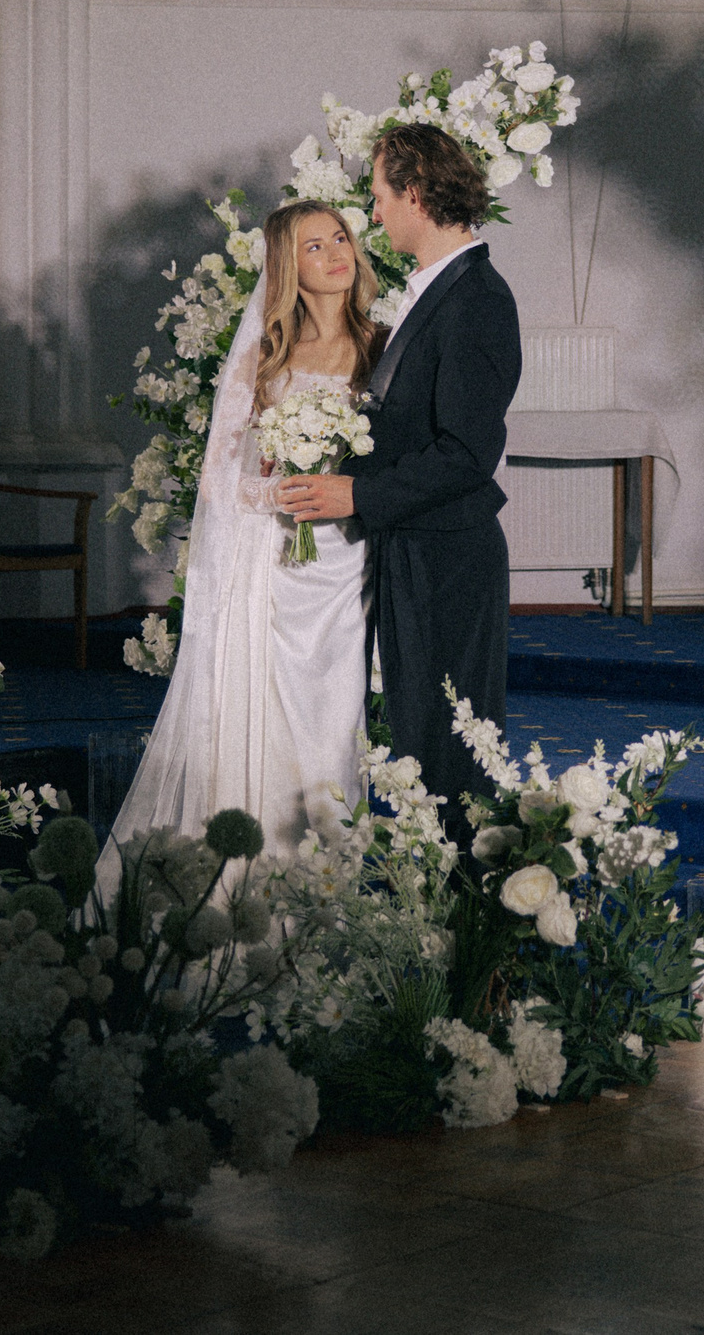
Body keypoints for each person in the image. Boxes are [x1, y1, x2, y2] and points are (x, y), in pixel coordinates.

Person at [104, 201, 386, 868]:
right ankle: (259, 871)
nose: (335, 254)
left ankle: (328, 876)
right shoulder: (266, 355)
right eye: (314, 246)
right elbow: (218, 477)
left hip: (348, 563)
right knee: (269, 722)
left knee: (334, 723)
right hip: (277, 565)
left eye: (340, 238)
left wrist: (342, 489)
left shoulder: (384, 345)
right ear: (288, 266)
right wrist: (285, 491)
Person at [280, 121, 521, 818]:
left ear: (414, 194)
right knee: (420, 737)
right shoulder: (435, 289)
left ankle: (463, 883)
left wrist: (356, 494)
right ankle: (435, 875)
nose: (375, 213)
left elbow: (466, 454)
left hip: (448, 557)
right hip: (414, 547)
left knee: (452, 748)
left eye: (381, 196)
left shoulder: (478, 298)